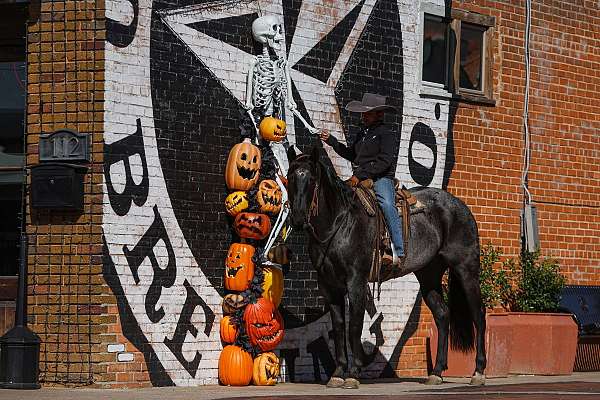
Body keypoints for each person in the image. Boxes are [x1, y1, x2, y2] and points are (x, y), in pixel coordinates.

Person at [319, 93, 404, 266]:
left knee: (387, 204)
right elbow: (353, 155)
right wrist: (333, 142)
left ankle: (397, 249)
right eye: (363, 113)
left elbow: (385, 161)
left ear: (379, 114)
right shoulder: (363, 133)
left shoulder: (386, 133)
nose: (364, 116)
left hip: (380, 177)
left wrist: (360, 175)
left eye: (368, 113)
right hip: (361, 176)